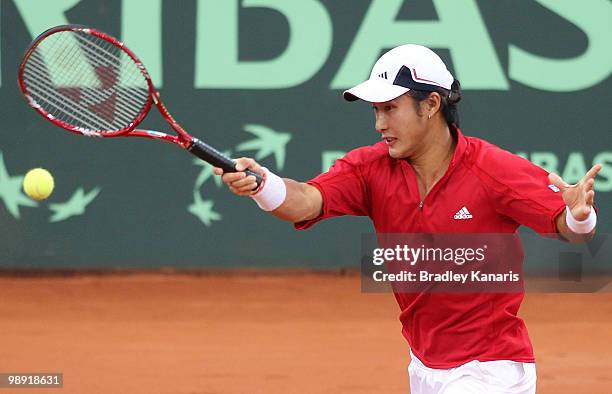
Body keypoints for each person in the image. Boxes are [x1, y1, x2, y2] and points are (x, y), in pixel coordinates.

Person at [213, 44, 600, 394]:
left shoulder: (492, 169)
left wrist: (580, 216)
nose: (379, 124)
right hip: (424, 366)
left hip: (490, 370)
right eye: (376, 111)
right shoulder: (369, 169)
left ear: (431, 104)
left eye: (390, 108)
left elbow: (569, 228)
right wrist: (262, 184)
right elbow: (305, 200)